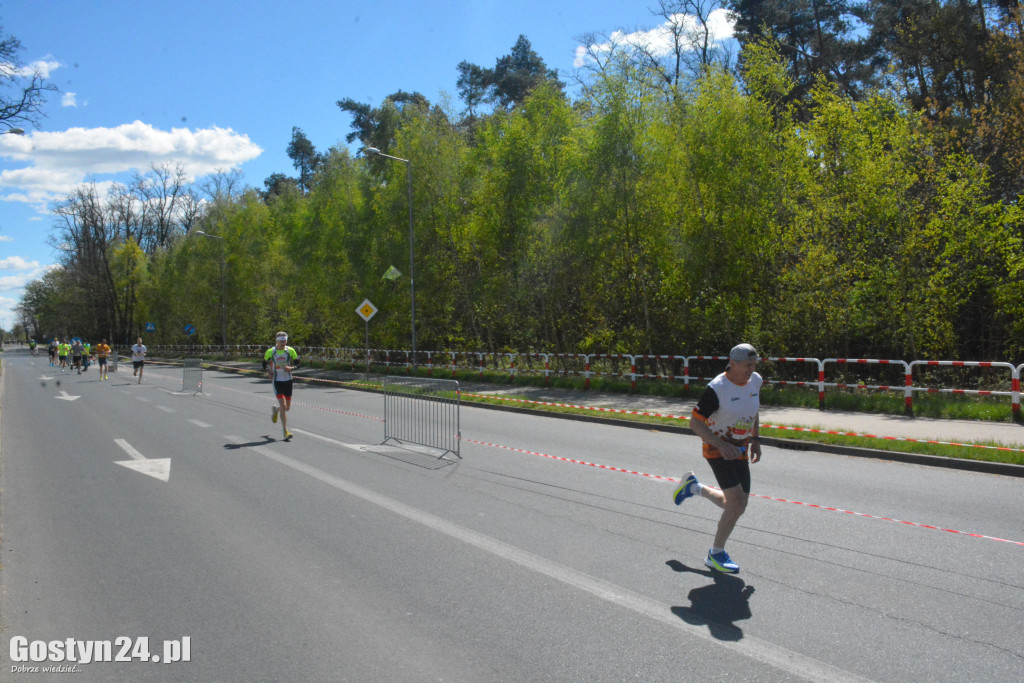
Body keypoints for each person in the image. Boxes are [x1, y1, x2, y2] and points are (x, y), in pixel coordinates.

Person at [673, 343, 763, 574]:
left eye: (754, 365)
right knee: (736, 504)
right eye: (746, 365)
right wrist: (721, 445)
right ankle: (716, 554)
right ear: (732, 363)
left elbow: (752, 409)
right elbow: (694, 422)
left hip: (740, 448)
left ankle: (694, 488)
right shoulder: (717, 389)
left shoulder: (755, 381)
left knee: (737, 504)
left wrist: (755, 439)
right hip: (717, 448)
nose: (751, 369)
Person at [264, 332, 299, 441]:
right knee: (283, 407)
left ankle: (276, 410)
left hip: (288, 380)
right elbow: (264, 363)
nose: (283, 343)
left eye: (285, 341)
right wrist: (268, 371)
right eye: (281, 341)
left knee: (287, 408)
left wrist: (291, 368)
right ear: (277, 341)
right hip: (277, 381)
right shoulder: (271, 352)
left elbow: (298, 364)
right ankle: (285, 432)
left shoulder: (290, 351)